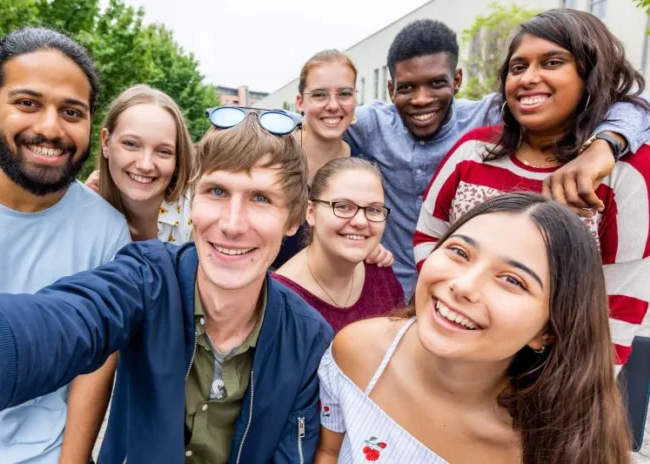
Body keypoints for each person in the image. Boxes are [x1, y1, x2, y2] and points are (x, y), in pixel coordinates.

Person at [0, 110, 334, 464]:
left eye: (261, 198)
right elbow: (68, 321)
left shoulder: (308, 338)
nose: (232, 224)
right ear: (192, 202)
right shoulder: (147, 276)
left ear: (294, 219)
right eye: (216, 191)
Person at [413, 8, 650, 371]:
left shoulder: (625, 173)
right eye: (518, 67)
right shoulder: (473, 150)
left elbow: (620, 305)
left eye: (552, 62)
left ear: (591, 74)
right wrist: (453, 313)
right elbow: (428, 236)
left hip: (550, 374)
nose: (528, 78)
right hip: (451, 349)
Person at [346, 18, 650, 297]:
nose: (422, 98)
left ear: (457, 80)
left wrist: (605, 144)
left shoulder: (491, 115)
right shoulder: (372, 124)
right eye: (407, 87)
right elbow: (314, 119)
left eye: (436, 83)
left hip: (488, 301)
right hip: (401, 288)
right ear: (390, 89)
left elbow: (633, 100)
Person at [316, 193, 630, 463]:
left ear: (547, 331)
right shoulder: (357, 352)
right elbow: (328, 453)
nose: (463, 285)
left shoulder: (558, 447)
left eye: (512, 280)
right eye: (460, 252)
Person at [0, 28, 131, 464]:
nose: (50, 128)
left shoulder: (108, 232)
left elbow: (93, 370)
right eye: (27, 103)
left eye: (71, 111)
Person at [273, 49, 393, 269]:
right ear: (300, 102)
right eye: (319, 95)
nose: (333, 105)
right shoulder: (272, 156)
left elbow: (359, 227)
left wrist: (368, 246)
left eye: (344, 94)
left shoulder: (362, 169)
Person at [274, 158, 403, 332]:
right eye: (343, 206)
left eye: (373, 209)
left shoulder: (379, 271)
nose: (360, 222)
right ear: (311, 213)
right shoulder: (280, 301)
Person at [86, 84, 195, 243]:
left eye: (163, 151)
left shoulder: (198, 214)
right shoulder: (86, 207)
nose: (145, 165)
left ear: (178, 159)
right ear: (105, 142)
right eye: (131, 144)